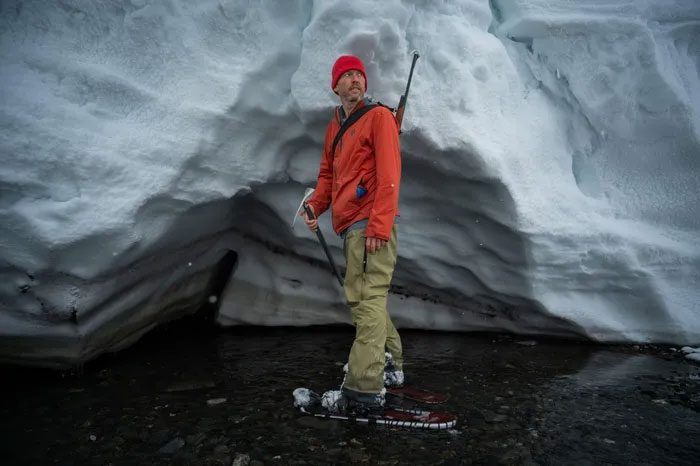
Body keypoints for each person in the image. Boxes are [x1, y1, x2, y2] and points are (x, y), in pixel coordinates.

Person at [302, 55, 404, 413]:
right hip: (352, 230)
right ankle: (390, 364)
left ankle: (363, 388)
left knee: (366, 300)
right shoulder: (336, 126)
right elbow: (328, 176)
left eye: (359, 74)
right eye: (346, 75)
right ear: (335, 86)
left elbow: (390, 174)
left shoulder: (378, 118)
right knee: (366, 299)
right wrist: (316, 204)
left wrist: (379, 225)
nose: (354, 79)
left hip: (370, 226)